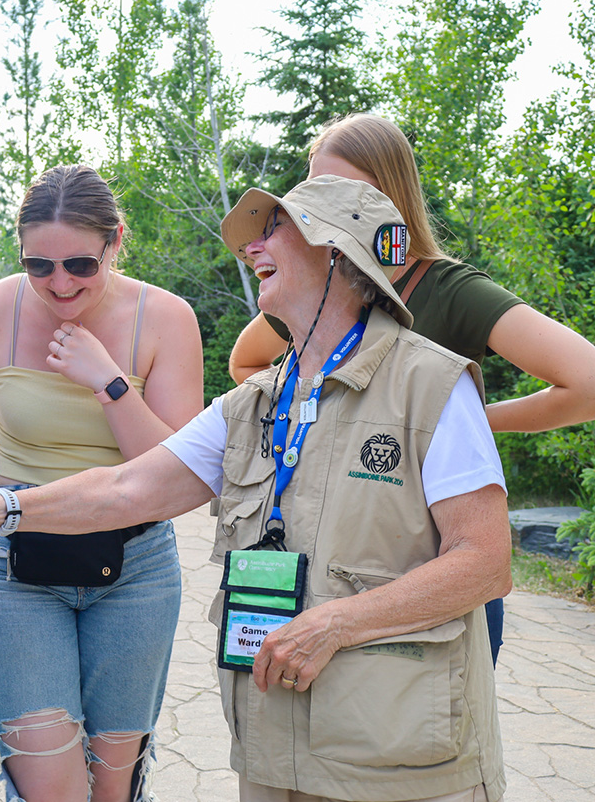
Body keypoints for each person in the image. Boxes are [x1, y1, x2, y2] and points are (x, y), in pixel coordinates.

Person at [0, 175, 511, 802]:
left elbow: (486, 561)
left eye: (274, 231)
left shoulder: (433, 385)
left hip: (397, 752)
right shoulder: (257, 401)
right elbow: (127, 490)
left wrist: (337, 622)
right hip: (279, 744)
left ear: (337, 253)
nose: (252, 250)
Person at [227, 112, 595, 665]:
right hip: (324, 571)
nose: (330, 207)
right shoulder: (317, 279)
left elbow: (586, 382)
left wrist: (464, 418)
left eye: (349, 189)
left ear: (391, 192)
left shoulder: (450, 291)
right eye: (315, 191)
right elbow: (246, 363)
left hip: (435, 583)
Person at [0, 164, 204, 802]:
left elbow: (174, 475)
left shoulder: (165, 318)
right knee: (53, 790)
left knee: (112, 791)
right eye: (39, 265)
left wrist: (107, 381)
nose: (59, 283)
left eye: (81, 264)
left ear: (115, 241)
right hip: (15, 565)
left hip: (136, 567)